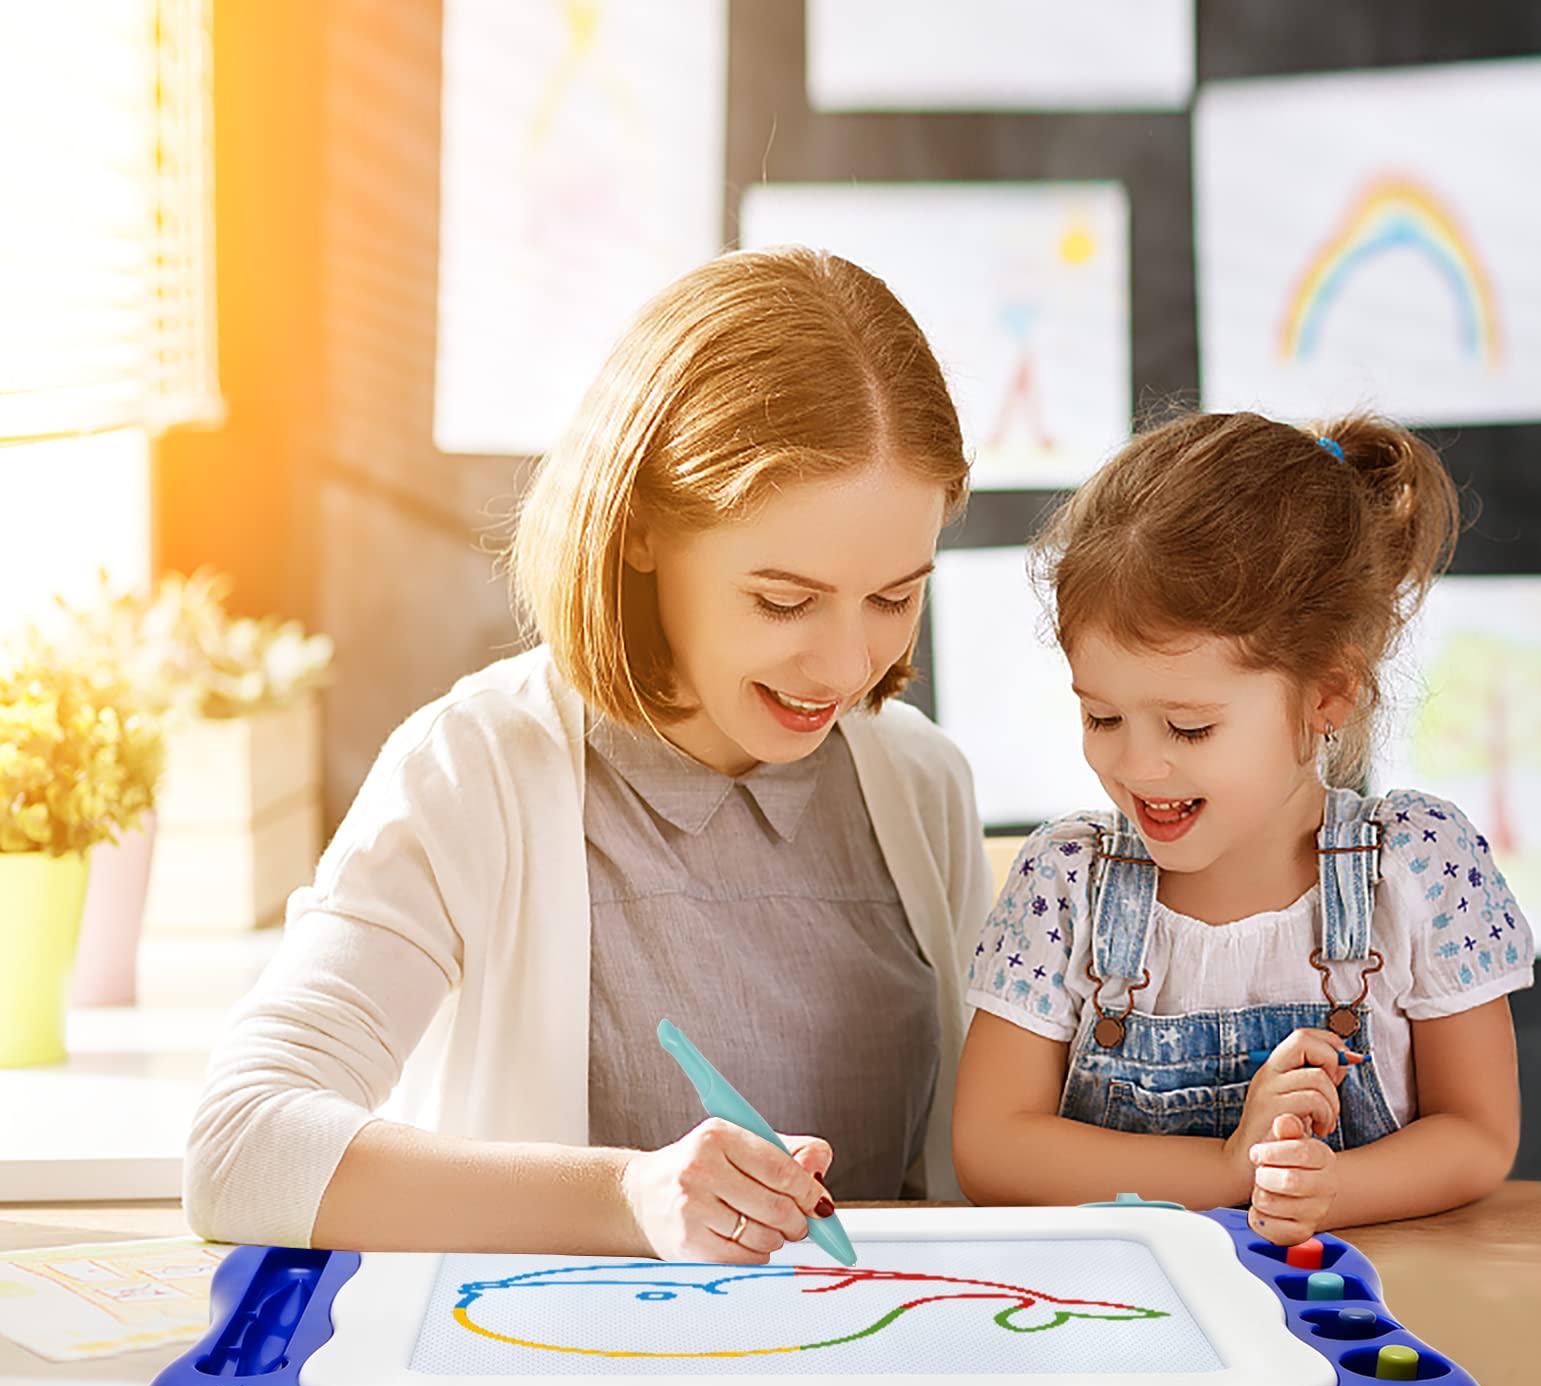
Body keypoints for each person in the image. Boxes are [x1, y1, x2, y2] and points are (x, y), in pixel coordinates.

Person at [184, 246, 991, 1262]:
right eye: (783, 601)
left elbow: (966, 1182)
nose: (844, 664)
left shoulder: (920, 788)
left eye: (893, 597)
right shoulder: (476, 768)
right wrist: (625, 1197)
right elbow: (239, 1147)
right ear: (643, 529)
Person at [953, 410, 1530, 1245]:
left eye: (1189, 728)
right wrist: (1226, 1173)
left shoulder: (1419, 866)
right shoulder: (1064, 882)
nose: (1139, 767)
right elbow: (992, 1148)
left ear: (1327, 695)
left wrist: (1333, 1188)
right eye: (1103, 716)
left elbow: (1478, 1134)